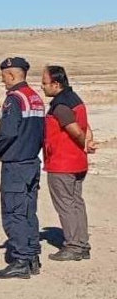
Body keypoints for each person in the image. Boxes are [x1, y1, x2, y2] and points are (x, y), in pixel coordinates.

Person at [0, 57, 45, 279]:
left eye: (4, 77)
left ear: (12, 75)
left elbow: (8, 132)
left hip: (16, 165)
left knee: (13, 214)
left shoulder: (14, 99)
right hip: (32, 162)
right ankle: (32, 255)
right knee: (28, 212)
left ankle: (20, 260)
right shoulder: (35, 97)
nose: (3, 82)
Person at [40, 65, 98, 261]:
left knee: (66, 205)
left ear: (56, 84)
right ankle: (82, 244)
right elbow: (85, 126)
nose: (42, 87)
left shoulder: (61, 105)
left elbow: (75, 129)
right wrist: (88, 142)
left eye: (45, 83)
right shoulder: (74, 99)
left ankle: (73, 246)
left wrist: (85, 144)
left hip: (62, 163)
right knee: (76, 203)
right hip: (77, 163)